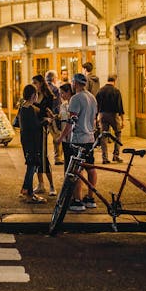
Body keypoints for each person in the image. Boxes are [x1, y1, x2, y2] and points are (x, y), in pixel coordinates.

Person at [61, 72, 98, 212]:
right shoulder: (92, 97)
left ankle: (77, 200)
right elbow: (94, 118)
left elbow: (72, 121)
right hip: (90, 138)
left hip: (78, 138)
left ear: (75, 83)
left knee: (77, 170)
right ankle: (90, 198)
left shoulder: (76, 98)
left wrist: (62, 137)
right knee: (91, 167)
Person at [18, 84, 46, 204]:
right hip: (32, 142)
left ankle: (27, 191)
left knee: (31, 164)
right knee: (32, 165)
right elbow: (35, 126)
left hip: (26, 140)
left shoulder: (22, 107)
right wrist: (45, 121)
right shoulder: (29, 109)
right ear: (33, 95)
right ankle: (28, 192)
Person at [31, 74, 56, 196]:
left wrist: (34, 106)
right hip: (34, 127)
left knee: (43, 157)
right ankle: (41, 184)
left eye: (35, 82)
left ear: (41, 83)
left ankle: (51, 184)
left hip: (42, 127)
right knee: (36, 155)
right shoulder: (34, 95)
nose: (34, 85)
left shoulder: (48, 96)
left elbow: (47, 111)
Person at [96, 75, 124, 163]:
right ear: (114, 81)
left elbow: (96, 105)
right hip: (113, 115)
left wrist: (96, 117)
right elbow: (120, 107)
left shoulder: (100, 90)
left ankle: (104, 158)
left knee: (103, 135)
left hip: (102, 115)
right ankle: (116, 155)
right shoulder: (116, 91)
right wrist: (122, 120)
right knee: (118, 134)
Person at [55, 82, 74, 172]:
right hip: (64, 134)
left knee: (73, 159)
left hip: (73, 135)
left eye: (63, 93)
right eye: (60, 93)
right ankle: (66, 181)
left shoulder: (75, 103)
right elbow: (61, 117)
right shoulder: (63, 105)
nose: (61, 95)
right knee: (66, 158)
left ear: (69, 92)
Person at [45, 70, 63, 164]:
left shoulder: (43, 88)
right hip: (53, 116)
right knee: (57, 136)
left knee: (43, 137)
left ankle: (44, 156)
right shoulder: (55, 89)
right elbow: (57, 104)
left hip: (44, 116)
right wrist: (57, 115)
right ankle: (58, 157)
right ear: (54, 78)